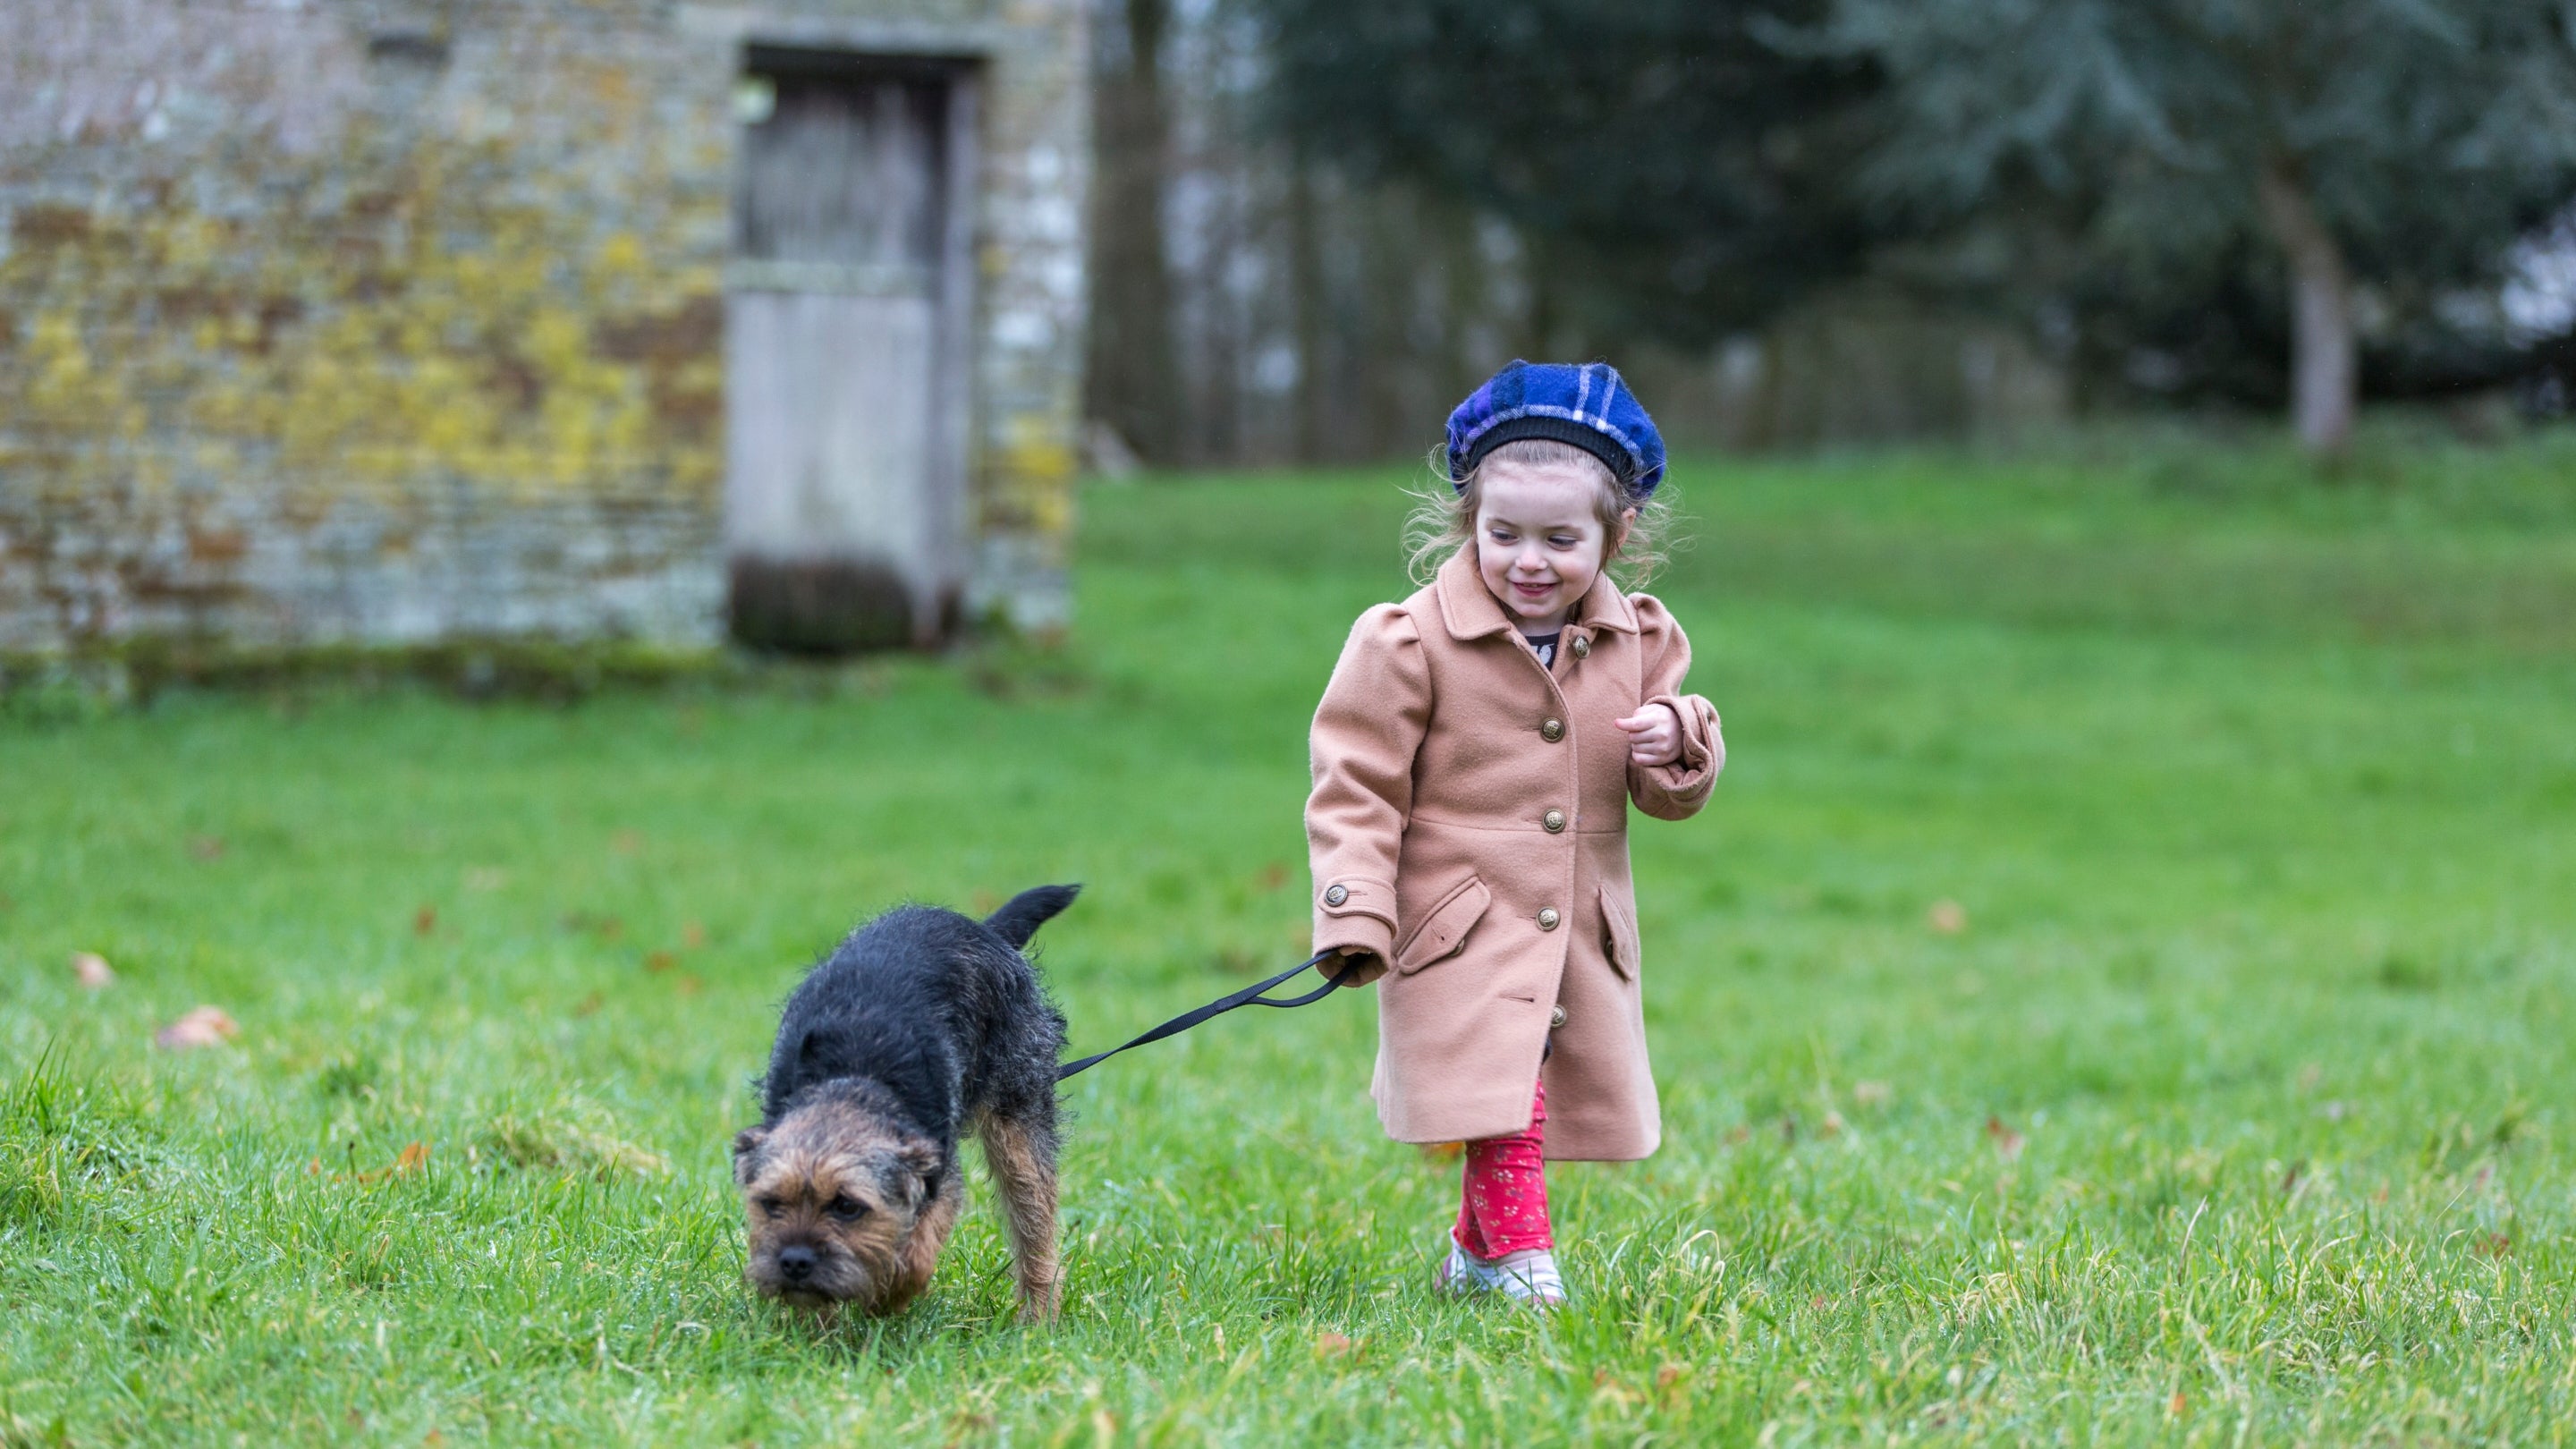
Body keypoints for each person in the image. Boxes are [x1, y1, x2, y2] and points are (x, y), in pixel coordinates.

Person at [1305, 360, 1724, 1308]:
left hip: (1575, 926)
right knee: (1506, 1084)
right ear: (1470, 523)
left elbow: (1667, 798)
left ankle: (1473, 1252)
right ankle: (1525, 1262)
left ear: (1617, 535)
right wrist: (1355, 908)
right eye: (1504, 535)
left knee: (1514, 1081)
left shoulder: (1642, 640)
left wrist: (1679, 739)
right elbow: (1355, 786)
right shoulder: (1406, 642)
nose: (1530, 561)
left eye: (1561, 539)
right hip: (1455, 922)